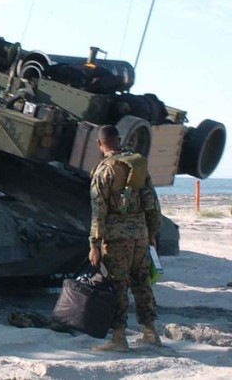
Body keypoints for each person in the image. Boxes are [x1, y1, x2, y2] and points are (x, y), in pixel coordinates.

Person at [88, 124, 162, 351]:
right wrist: (152, 233)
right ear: (119, 140)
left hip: (117, 238)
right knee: (142, 281)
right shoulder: (136, 165)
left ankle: (119, 337)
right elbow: (153, 203)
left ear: (99, 144)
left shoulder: (104, 170)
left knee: (118, 284)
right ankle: (151, 332)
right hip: (140, 234)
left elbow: (98, 212)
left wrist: (94, 244)